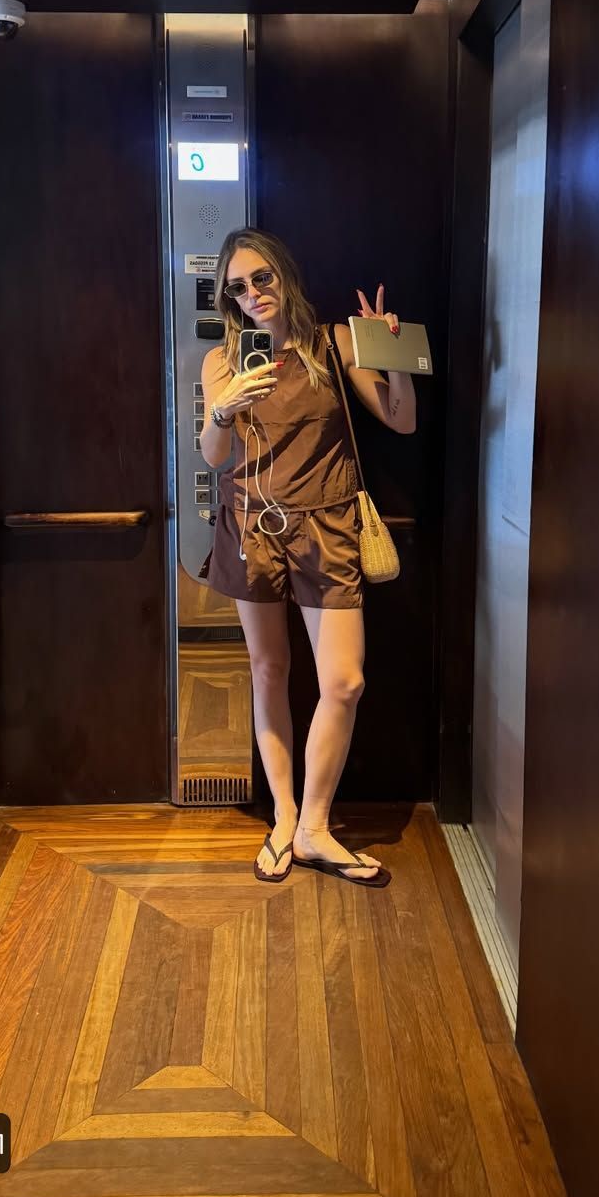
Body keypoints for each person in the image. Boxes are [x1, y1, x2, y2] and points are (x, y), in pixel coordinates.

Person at [197, 228, 416, 886]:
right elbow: (213, 457)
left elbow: (401, 419)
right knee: (269, 671)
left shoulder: (333, 342)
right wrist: (223, 411)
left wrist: (392, 352)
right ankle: (285, 816)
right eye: (238, 288)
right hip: (251, 524)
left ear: (284, 274)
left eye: (261, 278)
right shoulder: (222, 362)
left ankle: (316, 829)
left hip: (329, 523)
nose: (252, 294)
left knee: (343, 681)